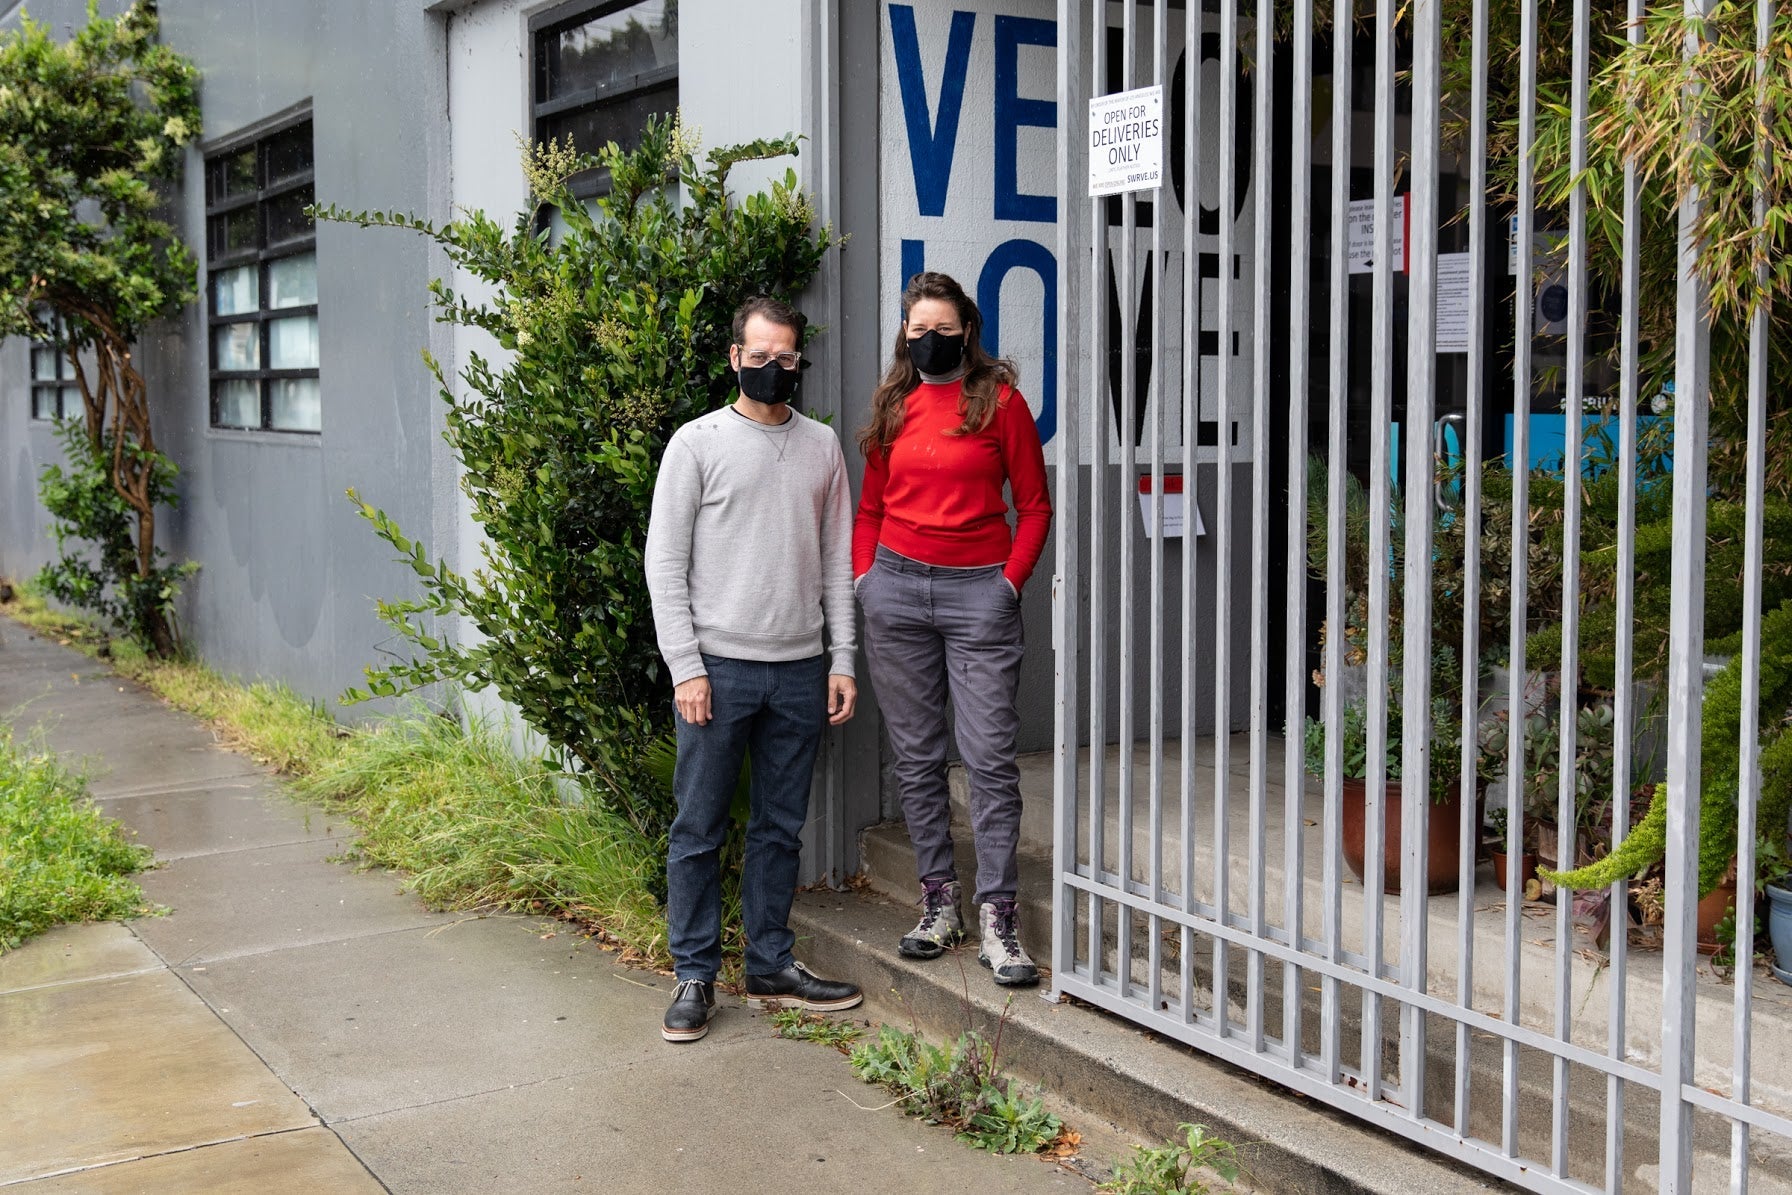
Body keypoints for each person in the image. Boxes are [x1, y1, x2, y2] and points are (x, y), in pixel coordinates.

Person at [645, 295, 863, 1043]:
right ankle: (695, 974)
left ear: (801, 361)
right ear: (734, 357)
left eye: (787, 358)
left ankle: (770, 961)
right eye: (760, 356)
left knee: (779, 829)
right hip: (718, 671)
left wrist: (842, 658)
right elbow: (664, 564)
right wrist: (686, 667)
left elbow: (838, 559)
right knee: (698, 828)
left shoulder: (823, 446)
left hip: (801, 671)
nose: (774, 369)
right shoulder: (696, 443)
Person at [853, 271, 1052, 987]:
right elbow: (871, 506)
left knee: (990, 757)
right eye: (917, 330)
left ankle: (999, 914)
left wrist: (1007, 585)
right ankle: (939, 901)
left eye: (942, 327)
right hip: (896, 589)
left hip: (979, 595)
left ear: (966, 329)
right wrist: (864, 579)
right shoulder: (894, 405)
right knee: (916, 754)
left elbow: (1034, 505)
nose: (930, 339)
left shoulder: (1000, 402)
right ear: (904, 335)